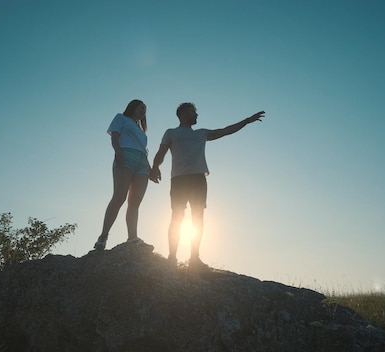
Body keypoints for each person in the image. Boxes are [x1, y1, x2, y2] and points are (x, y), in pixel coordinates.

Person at [149, 102, 265, 269]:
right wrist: (155, 167)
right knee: (177, 217)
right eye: (193, 112)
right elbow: (161, 153)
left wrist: (246, 121)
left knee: (197, 218)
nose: (196, 115)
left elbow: (225, 131)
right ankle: (172, 257)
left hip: (198, 179)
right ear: (183, 113)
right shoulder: (171, 133)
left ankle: (194, 258)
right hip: (179, 180)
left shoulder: (201, 133)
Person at [94, 99, 153, 251]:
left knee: (135, 203)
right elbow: (115, 136)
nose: (143, 111)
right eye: (141, 108)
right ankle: (103, 237)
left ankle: (132, 238)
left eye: (145, 110)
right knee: (119, 197)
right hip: (126, 155)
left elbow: (144, 150)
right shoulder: (121, 118)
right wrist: (118, 152)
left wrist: (150, 168)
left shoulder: (141, 130)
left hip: (142, 162)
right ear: (132, 107)